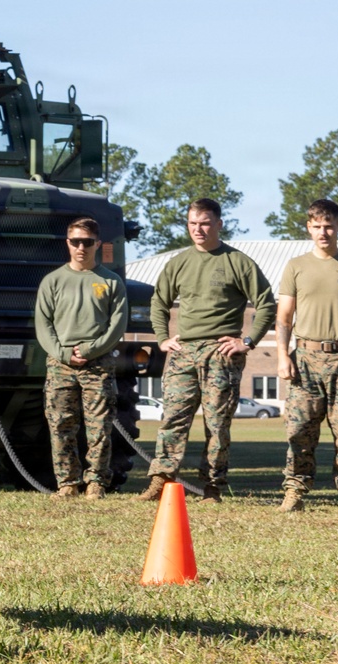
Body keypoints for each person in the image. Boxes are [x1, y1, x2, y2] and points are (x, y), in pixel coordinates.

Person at [136, 198, 275, 504]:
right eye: (192, 223)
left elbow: (266, 304)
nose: (198, 229)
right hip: (184, 352)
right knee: (172, 418)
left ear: (219, 224)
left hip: (221, 353)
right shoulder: (178, 263)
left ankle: (212, 487)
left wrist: (248, 341)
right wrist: (162, 338)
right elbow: (159, 303)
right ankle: (161, 480)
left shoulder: (238, 262)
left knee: (217, 424)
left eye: (205, 223)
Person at [275, 199, 338, 514]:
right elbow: (284, 318)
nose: (324, 232)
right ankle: (294, 491)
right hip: (305, 358)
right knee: (300, 429)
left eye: (329, 225)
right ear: (308, 227)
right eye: (317, 226)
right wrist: (282, 356)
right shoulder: (296, 266)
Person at [34, 217, 128, 500]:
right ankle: (67, 483)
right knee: (61, 423)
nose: (81, 247)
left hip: (98, 365)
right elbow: (43, 325)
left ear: (98, 244)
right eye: (75, 241)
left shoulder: (110, 282)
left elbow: (118, 326)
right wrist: (63, 353)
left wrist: (90, 351)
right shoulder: (53, 281)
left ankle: (97, 481)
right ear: (67, 243)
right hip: (61, 364)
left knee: (99, 426)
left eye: (87, 242)